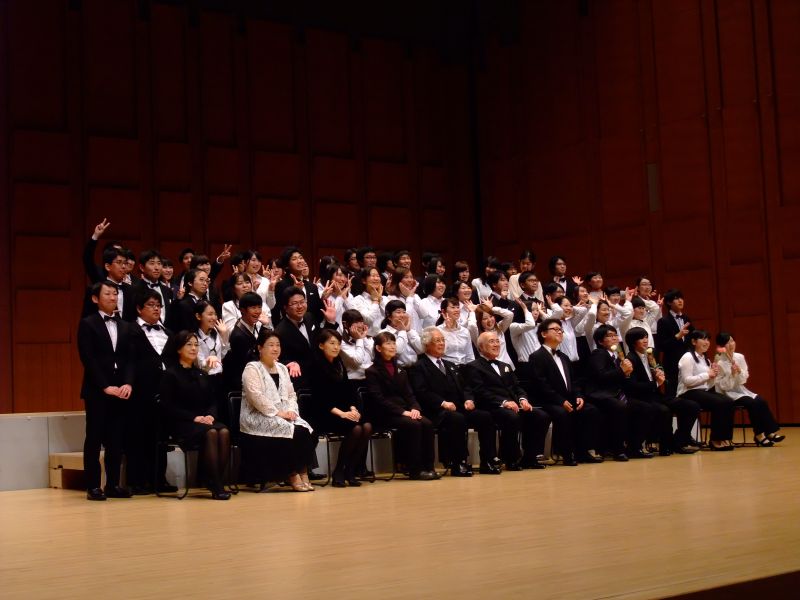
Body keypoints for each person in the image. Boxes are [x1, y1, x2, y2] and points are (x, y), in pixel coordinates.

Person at [409, 328, 501, 475]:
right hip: (436, 411)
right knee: (457, 419)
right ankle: (459, 462)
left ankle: (488, 460)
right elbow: (421, 392)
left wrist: (468, 399)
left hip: (457, 408)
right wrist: (442, 403)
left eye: (443, 340)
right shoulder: (418, 366)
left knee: (485, 416)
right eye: (437, 341)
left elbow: (465, 387)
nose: (442, 343)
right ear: (427, 344)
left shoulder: (450, 364)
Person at [77, 281, 135, 501]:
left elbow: (130, 359)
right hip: (97, 390)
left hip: (121, 390)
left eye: (115, 293)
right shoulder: (88, 323)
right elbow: (88, 358)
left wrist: (128, 383)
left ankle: (113, 484)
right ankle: (93, 486)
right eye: (108, 294)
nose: (113, 297)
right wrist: (105, 386)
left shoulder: (125, 325)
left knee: (116, 440)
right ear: (95, 299)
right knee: (94, 438)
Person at [240, 330, 317, 492]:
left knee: (303, 428)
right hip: (257, 415)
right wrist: (278, 413)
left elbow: (291, 394)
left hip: (283, 413)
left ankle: (304, 472)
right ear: (260, 348)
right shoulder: (252, 368)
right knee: (288, 430)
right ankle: (292, 474)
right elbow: (255, 396)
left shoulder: (282, 368)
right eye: (271, 345)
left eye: (278, 345)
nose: (275, 349)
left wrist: (291, 411)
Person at [159, 331, 231, 500]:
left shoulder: (201, 373)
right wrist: (194, 418)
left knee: (224, 431)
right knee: (211, 432)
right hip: (182, 423)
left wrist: (211, 415)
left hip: (203, 421)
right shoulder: (170, 374)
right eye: (189, 344)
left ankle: (214, 480)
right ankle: (215, 484)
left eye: (196, 345)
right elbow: (168, 406)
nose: (193, 348)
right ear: (178, 349)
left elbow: (212, 401)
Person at [464, 331, 551, 470]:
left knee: (541, 416)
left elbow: (517, 387)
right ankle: (510, 458)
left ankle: (530, 457)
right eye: (491, 341)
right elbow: (480, 392)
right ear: (481, 347)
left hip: (513, 405)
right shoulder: (473, 366)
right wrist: (504, 403)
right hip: (491, 407)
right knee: (511, 417)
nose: (496, 344)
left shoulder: (505, 365)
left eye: (497, 341)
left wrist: (523, 399)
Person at [527, 318, 603, 465]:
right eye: (555, 329)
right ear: (543, 334)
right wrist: (560, 401)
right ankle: (567, 453)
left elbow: (574, 382)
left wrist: (578, 396)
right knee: (562, 413)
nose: (560, 332)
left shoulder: (564, 357)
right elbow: (541, 385)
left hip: (566, 399)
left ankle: (583, 451)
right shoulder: (536, 356)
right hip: (547, 401)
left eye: (561, 330)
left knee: (590, 410)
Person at [365, 332, 440, 480]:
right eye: (388, 343)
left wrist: (415, 408)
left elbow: (409, 394)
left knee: (427, 423)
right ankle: (415, 470)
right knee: (414, 425)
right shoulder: (372, 371)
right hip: (385, 413)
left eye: (394, 343)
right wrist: (402, 412)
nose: (392, 346)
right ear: (378, 348)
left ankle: (429, 467)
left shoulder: (400, 369)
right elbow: (378, 399)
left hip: (405, 411)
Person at [308, 329, 373, 487]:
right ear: (321, 345)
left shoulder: (339, 363)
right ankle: (339, 471)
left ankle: (350, 470)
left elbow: (348, 390)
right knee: (355, 429)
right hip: (324, 414)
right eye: (332, 343)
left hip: (343, 411)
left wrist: (353, 409)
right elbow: (319, 398)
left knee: (366, 426)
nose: (336, 347)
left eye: (338, 343)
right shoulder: (315, 365)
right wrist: (342, 414)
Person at [128, 290, 177, 494]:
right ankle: (137, 481)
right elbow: (129, 361)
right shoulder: (130, 330)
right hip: (140, 391)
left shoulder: (168, 333)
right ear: (139, 308)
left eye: (158, 305)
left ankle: (159, 479)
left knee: (160, 436)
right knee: (139, 436)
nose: (156, 309)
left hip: (164, 392)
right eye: (151, 305)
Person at [584, 324, 656, 460]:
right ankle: (618, 449)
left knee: (645, 408)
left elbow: (621, 378)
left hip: (616, 393)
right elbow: (601, 376)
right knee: (620, 407)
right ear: (600, 341)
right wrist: (622, 371)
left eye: (615, 335)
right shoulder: (599, 354)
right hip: (600, 394)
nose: (614, 338)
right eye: (609, 336)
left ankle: (635, 446)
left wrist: (627, 374)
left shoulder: (618, 356)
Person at [624, 327, 700, 455]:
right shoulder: (630, 359)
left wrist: (660, 376)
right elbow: (632, 386)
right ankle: (664, 446)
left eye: (646, 337)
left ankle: (679, 441)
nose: (645, 340)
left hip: (657, 395)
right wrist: (655, 383)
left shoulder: (651, 354)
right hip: (641, 397)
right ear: (633, 342)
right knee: (664, 410)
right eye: (641, 338)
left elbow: (660, 374)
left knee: (691, 406)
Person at [714, 332, 785, 446]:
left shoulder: (739, 357)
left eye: (732, 341)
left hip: (740, 389)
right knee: (752, 403)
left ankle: (769, 432)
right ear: (722, 346)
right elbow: (722, 386)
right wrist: (731, 375)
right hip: (727, 393)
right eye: (727, 342)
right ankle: (759, 435)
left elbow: (743, 379)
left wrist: (739, 372)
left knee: (761, 401)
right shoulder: (719, 361)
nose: (731, 344)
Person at [677, 330, 735, 451]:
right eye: (703, 339)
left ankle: (725, 438)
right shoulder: (687, 357)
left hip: (702, 392)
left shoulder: (706, 359)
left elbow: (708, 385)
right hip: (687, 392)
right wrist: (707, 375)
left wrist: (713, 376)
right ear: (694, 342)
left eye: (708, 339)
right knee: (719, 403)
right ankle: (715, 440)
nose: (707, 342)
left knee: (728, 401)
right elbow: (687, 381)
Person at [222, 291, 264, 393]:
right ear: (242, 310)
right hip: (243, 385)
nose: (257, 311)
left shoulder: (252, 326)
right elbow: (246, 365)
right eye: (253, 308)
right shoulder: (238, 336)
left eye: (259, 307)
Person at [656, 289, 694, 397]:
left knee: (691, 393)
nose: (680, 301)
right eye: (676, 299)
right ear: (669, 302)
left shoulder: (687, 319)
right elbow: (661, 346)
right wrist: (677, 336)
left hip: (688, 362)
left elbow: (693, 340)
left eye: (681, 298)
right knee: (673, 394)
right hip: (672, 363)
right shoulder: (663, 321)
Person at [378, 299, 424, 367]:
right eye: (398, 312)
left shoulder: (409, 331)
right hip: (398, 369)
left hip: (416, 367)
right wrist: (402, 331)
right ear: (389, 316)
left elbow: (421, 349)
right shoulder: (384, 333)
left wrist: (408, 331)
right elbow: (397, 350)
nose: (402, 315)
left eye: (404, 312)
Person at [348, 267, 388, 336]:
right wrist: (375, 301)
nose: (376, 278)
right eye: (373, 276)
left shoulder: (385, 299)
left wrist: (380, 299)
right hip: (368, 338)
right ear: (364, 280)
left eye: (378, 276)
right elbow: (368, 320)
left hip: (387, 337)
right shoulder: (358, 300)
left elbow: (391, 316)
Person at [436, 297, 475, 365]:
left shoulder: (465, 331)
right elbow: (438, 353)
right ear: (443, 311)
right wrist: (448, 330)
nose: (457, 310)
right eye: (453, 307)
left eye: (458, 307)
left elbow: (470, 355)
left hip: (464, 366)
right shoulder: (438, 330)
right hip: (446, 366)